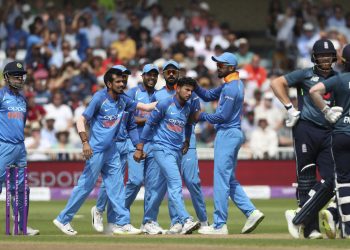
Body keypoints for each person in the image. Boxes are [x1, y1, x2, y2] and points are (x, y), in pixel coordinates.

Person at [53, 66, 154, 235]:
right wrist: (85, 142)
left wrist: (172, 99)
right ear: (109, 83)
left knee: (117, 188)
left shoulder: (124, 100)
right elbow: (81, 120)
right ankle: (63, 219)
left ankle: (122, 223)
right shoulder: (100, 98)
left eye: (123, 81)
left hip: (112, 150)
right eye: (118, 81)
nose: (122, 84)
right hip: (96, 150)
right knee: (85, 186)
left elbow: (146, 107)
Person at [271, 39, 338, 239]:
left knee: (332, 180)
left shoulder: (338, 78)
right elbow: (276, 83)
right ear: (315, 57)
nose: (325, 58)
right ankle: (310, 229)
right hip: (305, 130)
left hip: (329, 132)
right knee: (306, 179)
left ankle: (298, 215)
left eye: (328, 55)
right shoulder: (305, 74)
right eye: (321, 55)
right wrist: (289, 108)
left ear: (334, 57)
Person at [193, 52, 264, 235]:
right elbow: (208, 95)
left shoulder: (232, 88)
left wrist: (200, 116)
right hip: (231, 134)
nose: (218, 67)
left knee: (221, 180)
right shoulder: (229, 84)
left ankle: (219, 225)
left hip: (227, 133)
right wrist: (195, 86)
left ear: (231, 67)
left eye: (221, 64)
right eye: (217, 64)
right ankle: (251, 212)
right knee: (229, 179)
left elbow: (222, 116)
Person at [134, 77, 201, 235]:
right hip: (161, 149)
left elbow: (189, 125)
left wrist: (186, 140)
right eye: (186, 89)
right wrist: (140, 147)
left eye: (191, 91)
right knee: (176, 183)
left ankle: (148, 221)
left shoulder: (188, 107)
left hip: (176, 150)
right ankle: (185, 220)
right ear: (178, 89)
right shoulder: (165, 103)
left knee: (159, 188)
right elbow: (149, 124)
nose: (189, 93)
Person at [149, 60, 208, 234]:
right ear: (164, 74)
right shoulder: (158, 95)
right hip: (165, 144)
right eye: (168, 71)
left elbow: (191, 121)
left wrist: (187, 140)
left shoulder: (191, 95)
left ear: (179, 74)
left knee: (192, 181)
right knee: (170, 181)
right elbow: (151, 120)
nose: (172, 73)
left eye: (175, 71)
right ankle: (177, 221)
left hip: (186, 142)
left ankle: (203, 221)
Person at [309, 44, 350, 238]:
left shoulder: (339, 79)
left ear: (342, 61)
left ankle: (344, 225)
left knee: (343, 180)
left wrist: (326, 111)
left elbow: (313, 91)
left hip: (341, 133)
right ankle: (334, 213)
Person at [0, 61, 40, 235]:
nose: (19, 78)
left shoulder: (22, 99)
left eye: (21, 75)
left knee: (22, 189)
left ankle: (22, 227)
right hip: (3, 147)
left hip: (19, 148)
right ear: (6, 77)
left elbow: (21, 124)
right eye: (15, 75)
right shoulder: (1, 95)